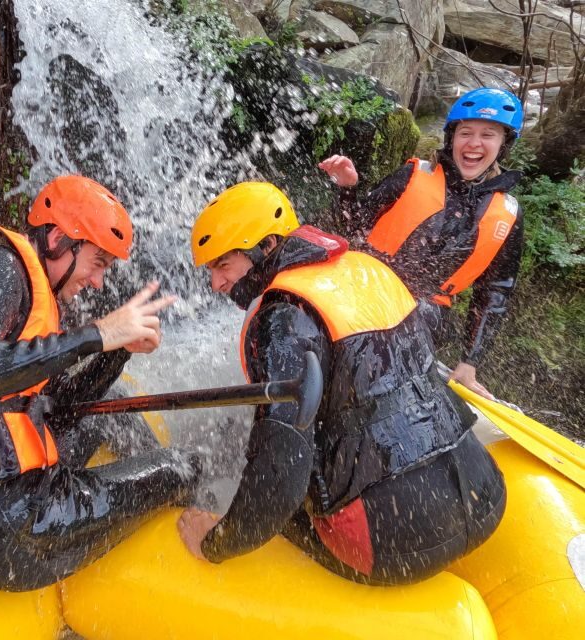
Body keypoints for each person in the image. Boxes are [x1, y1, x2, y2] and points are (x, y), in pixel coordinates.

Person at [177, 182, 506, 585]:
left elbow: (282, 477)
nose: (216, 284)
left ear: (266, 247)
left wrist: (217, 542)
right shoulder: (365, 267)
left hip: (394, 546)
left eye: (222, 266)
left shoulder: (282, 316)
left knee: (283, 476)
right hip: (484, 493)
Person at [0, 175, 199, 591]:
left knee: (108, 409)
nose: (98, 281)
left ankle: (147, 492)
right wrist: (95, 335)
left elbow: (61, 411)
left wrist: (119, 350)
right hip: (1, 527)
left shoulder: (25, 288)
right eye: (98, 263)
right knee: (187, 464)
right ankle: (185, 520)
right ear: (56, 240)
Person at [319, 88, 525, 400]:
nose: (473, 144)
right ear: (451, 138)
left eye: (488, 135)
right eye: (465, 133)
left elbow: (494, 294)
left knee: (415, 324)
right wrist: (347, 189)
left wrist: (470, 362)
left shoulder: (508, 215)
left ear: (503, 144)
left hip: (422, 319)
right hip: (361, 295)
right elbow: (350, 229)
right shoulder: (411, 176)